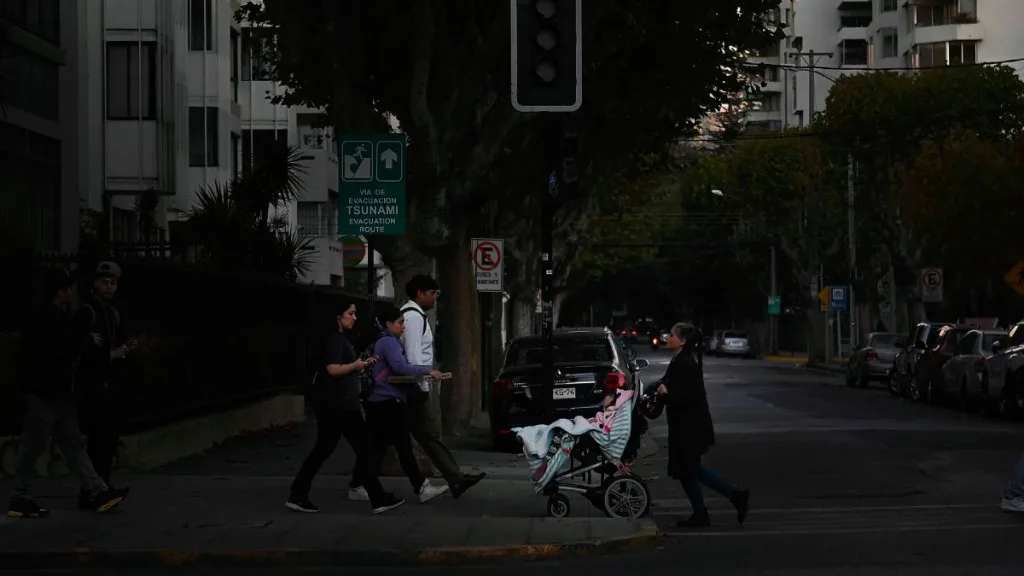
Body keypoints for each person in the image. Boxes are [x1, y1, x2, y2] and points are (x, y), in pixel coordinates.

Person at [7, 268, 127, 518]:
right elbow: (62, 349)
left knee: (73, 442)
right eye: (70, 288)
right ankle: (20, 495)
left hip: (60, 392)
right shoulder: (45, 317)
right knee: (34, 444)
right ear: (61, 291)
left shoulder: (59, 314)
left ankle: (95, 489)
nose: (74, 292)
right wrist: (87, 341)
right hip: (45, 392)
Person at [287, 300, 404, 515]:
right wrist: (357, 365)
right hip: (340, 406)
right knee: (364, 449)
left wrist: (362, 364)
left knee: (325, 450)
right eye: (350, 313)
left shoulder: (339, 339)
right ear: (338, 317)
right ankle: (377, 497)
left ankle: (298, 493)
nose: (354, 317)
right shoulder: (334, 340)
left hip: (334, 404)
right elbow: (332, 370)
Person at [399, 275, 486, 497]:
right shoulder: (413, 317)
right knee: (424, 435)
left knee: (424, 435)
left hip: (412, 386)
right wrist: (424, 386)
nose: (435, 298)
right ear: (420, 293)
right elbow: (413, 355)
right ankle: (453, 479)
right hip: (412, 387)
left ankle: (454, 479)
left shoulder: (416, 316)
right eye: (432, 294)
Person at [657, 322, 750, 528]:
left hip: (690, 427)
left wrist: (667, 394)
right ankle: (704, 511)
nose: (667, 337)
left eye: (671, 335)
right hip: (684, 425)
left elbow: (689, 396)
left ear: (682, 341)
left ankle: (733, 496)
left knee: (691, 469)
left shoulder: (685, 363)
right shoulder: (680, 360)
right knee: (687, 470)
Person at [364, 305, 449, 503]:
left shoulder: (382, 340)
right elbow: (401, 367)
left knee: (381, 448)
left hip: (379, 401)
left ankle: (368, 486)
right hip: (388, 401)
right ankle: (418, 487)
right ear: (388, 324)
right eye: (400, 322)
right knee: (401, 446)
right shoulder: (389, 342)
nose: (403, 327)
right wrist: (427, 370)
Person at [73, 261, 134, 502]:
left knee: (107, 438)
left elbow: (116, 345)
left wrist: (124, 350)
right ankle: (92, 490)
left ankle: (102, 486)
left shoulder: (113, 314)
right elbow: (77, 348)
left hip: (107, 383)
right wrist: (109, 353)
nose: (109, 287)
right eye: (104, 282)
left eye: (113, 283)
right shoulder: (87, 312)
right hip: (91, 384)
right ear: (95, 284)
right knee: (97, 438)